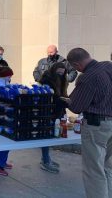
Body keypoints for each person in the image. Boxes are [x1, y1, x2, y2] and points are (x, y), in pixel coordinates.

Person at [62, 48, 112, 198]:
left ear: (77, 65)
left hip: (97, 127)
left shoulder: (87, 77)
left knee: (93, 170)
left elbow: (76, 106)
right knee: (106, 167)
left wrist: (64, 100)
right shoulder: (107, 66)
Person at [38, 62, 68, 174]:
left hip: (57, 110)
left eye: (62, 72)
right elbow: (50, 97)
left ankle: (46, 158)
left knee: (51, 135)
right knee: (47, 136)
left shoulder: (62, 80)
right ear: (54, 70)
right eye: (59, 72)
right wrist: (63, 101)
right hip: (48, 111)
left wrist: (65, 101)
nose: (60, 74)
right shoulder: (47, 79)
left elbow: (61, 94)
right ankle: (45, 161)